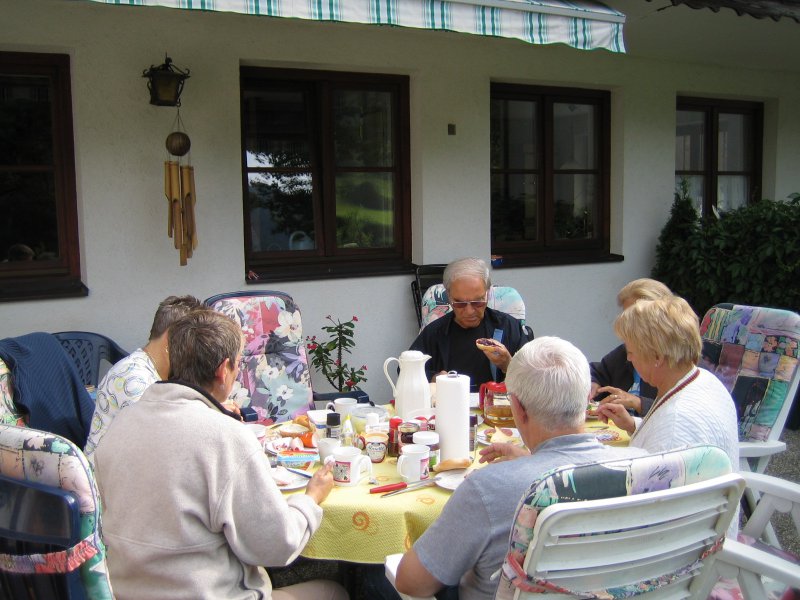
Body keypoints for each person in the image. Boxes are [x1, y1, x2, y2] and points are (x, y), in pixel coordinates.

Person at [94, 309, 348, 600]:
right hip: (205, 593)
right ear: (223, 369)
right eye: (238, 365)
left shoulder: (121, 424)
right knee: (334, 591)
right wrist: (311, 497)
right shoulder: (226, 437)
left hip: (126, 593)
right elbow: (276, 545)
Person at [394, 337, 647, 600]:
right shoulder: (643, 467)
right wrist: (529, 460)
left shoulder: (488, 488)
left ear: (517, 407)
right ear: (586, 400)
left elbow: (412, 583)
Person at [596, 295, 739, 470]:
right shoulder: (703, 379)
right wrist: (633, 425)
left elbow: (656, 487)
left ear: (657, 357)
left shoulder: (675, 425)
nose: (628, 358)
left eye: (631, 352)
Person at [84, 294, 203, 466]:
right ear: (172, 339)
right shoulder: (134, 380)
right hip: (106, 484)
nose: (198, 354)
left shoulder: (155, 371)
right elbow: (165, 443)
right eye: (195, 342)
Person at [410, 257, 532, 391]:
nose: (469, 311)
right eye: (460, 303)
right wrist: (434, 378)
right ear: (449, 296)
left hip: (494, 408)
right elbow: (406, 370)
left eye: (478, 302)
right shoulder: (435, 332)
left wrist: (508, 365)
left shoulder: (507, 326)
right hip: (449, 406)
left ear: (487, 294)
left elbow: (534, 377)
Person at [590, 278, 672, 416]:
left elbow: (679, 413)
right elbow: (597, 371)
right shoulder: (625, 352)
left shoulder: (677, 362)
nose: (627, 323)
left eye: (634, 317)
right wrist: (593, 384)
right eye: (625, 315)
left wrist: (638, 403)